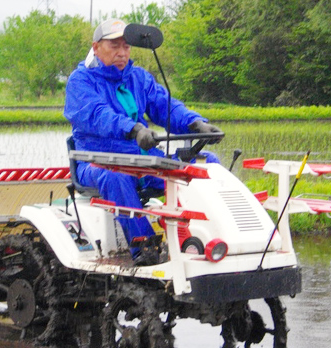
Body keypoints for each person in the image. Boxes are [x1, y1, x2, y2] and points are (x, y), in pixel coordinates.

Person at [64, 18, 220, 255]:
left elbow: (165, 105)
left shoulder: (138, 77)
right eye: (114, 45)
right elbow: (97, 115)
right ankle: (146, 251)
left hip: (144, 160)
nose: (121, 52)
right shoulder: (81, 80)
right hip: (97, 163)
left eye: (126, 46)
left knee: (207, 164)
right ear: (96, 47)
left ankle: (211, 238)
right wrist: (134, 129)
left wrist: (196, 123)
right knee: (117, 179)